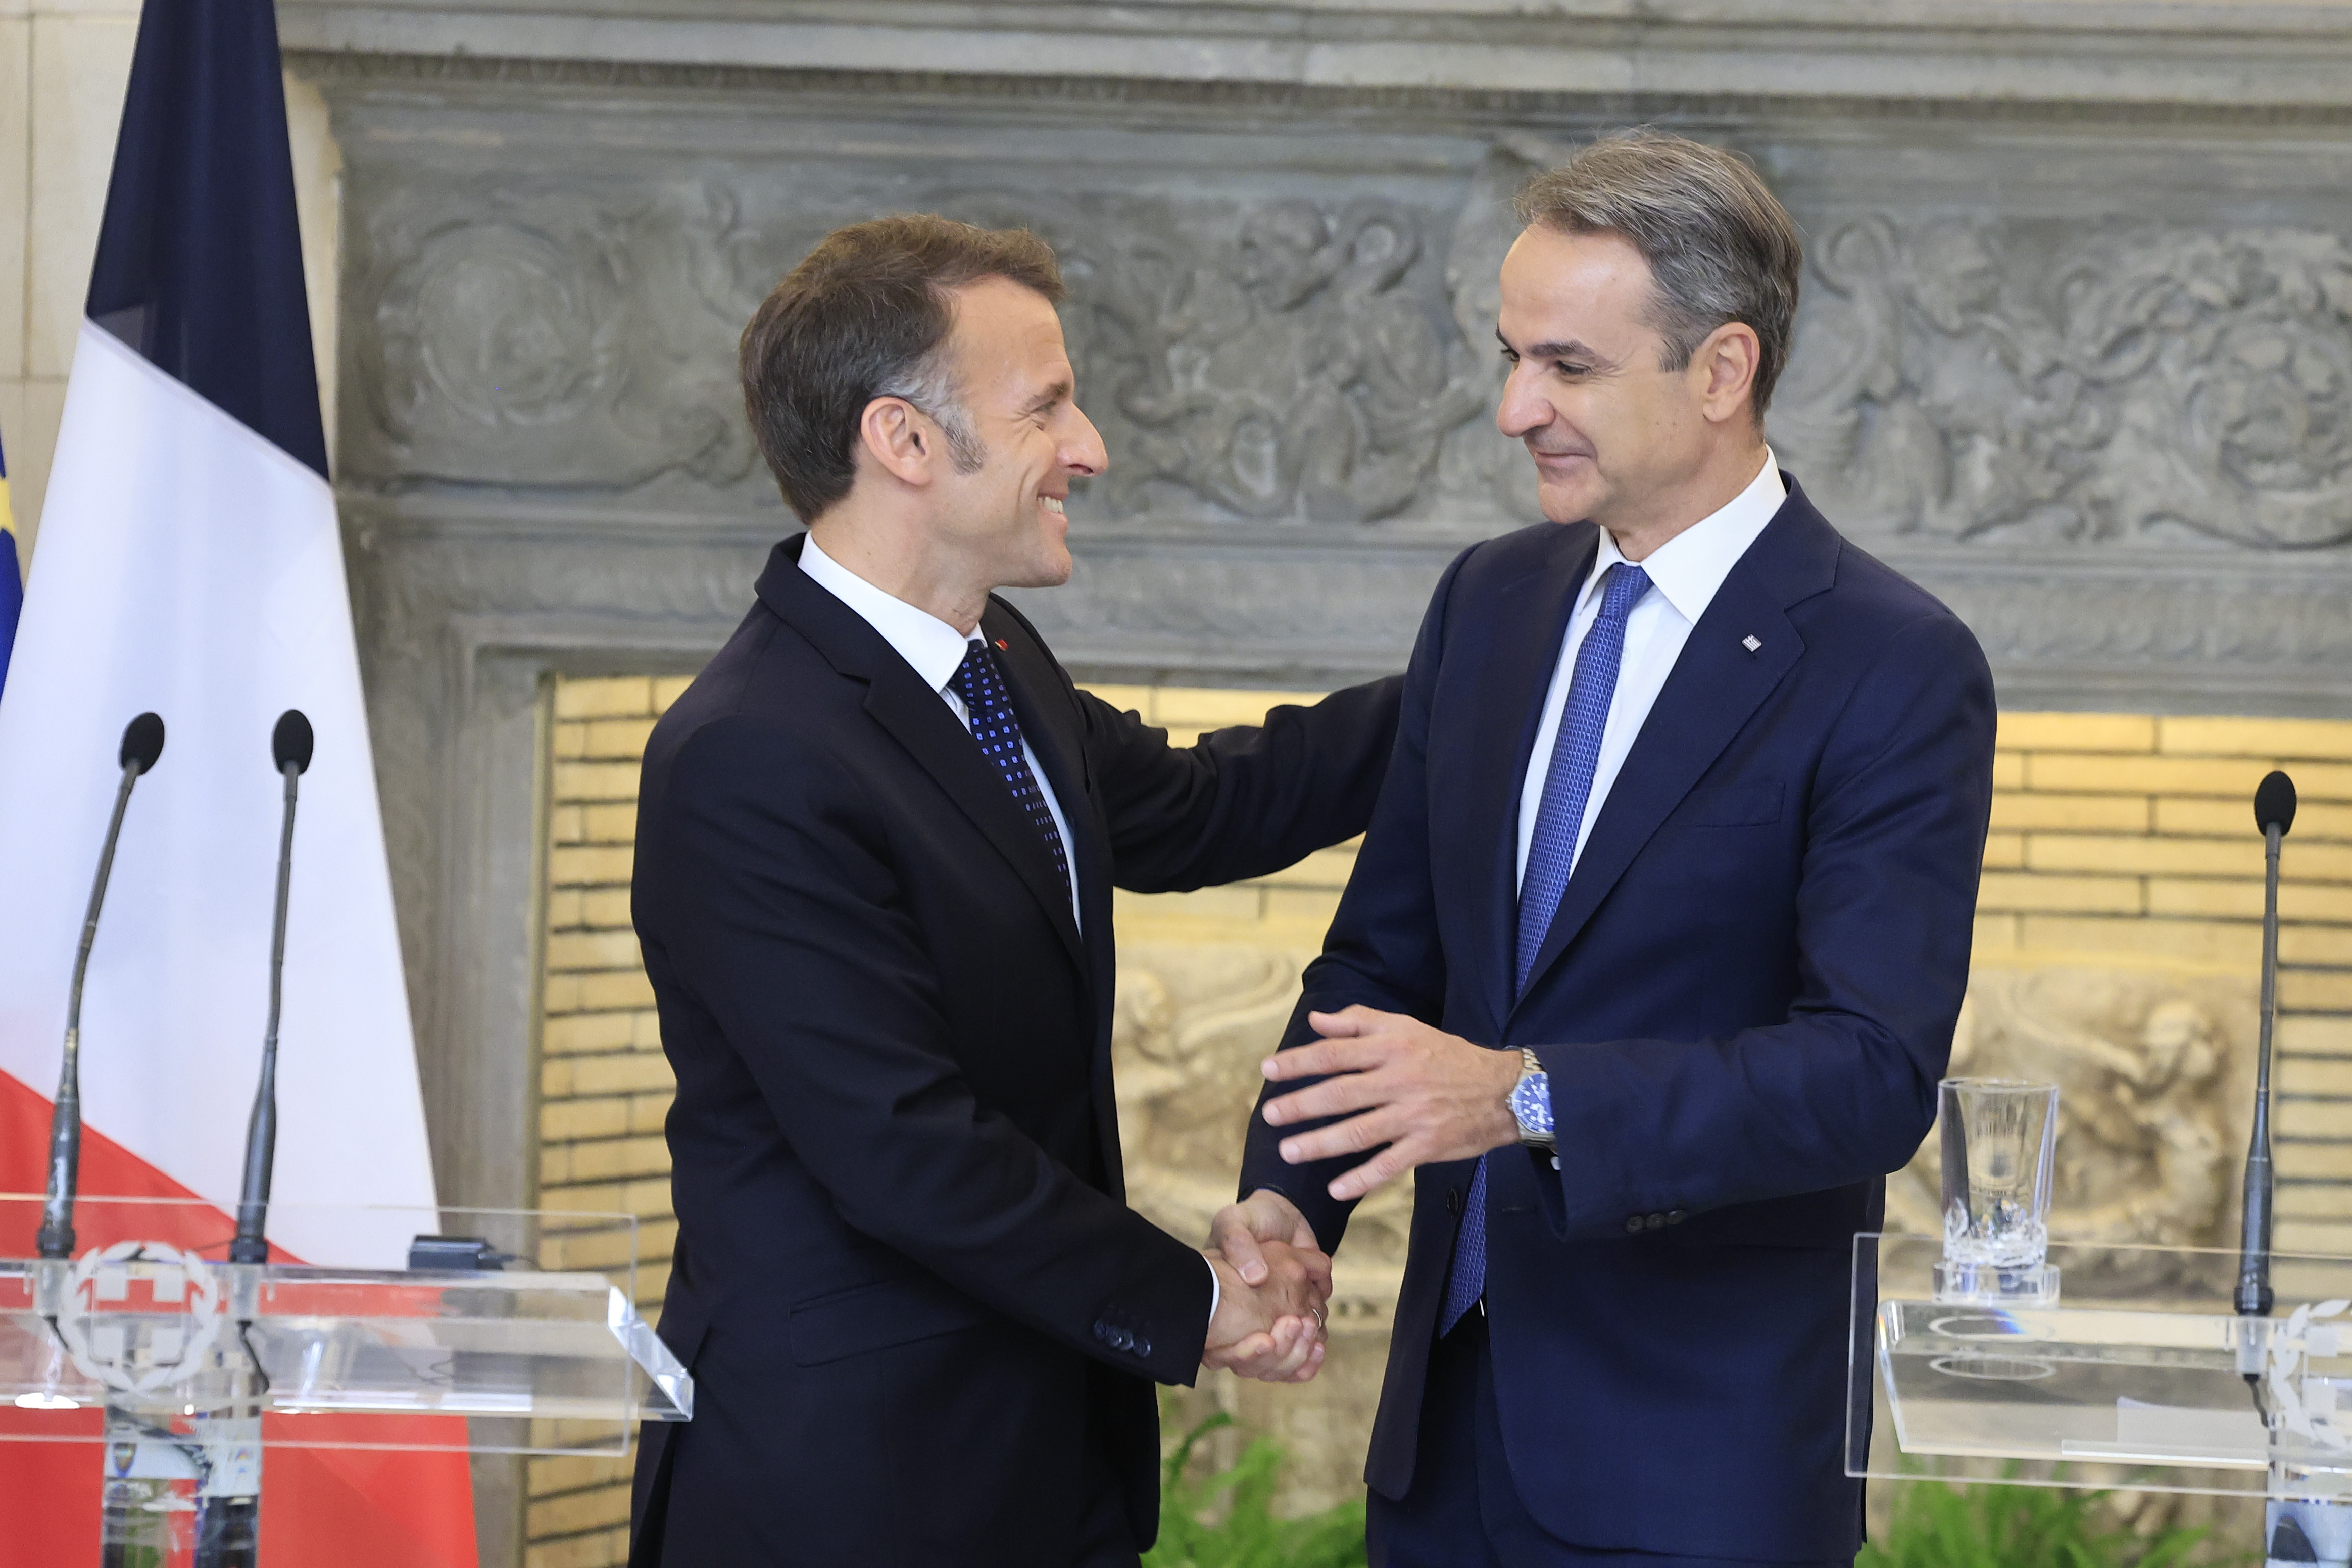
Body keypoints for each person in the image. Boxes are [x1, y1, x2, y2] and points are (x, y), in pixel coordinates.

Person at [1210, 130, 1997, 1566]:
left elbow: (1870, 1074)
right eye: (1513, 357)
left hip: (1699, 1475)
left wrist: (1526, 1097)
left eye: (1567, 366)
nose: (1517, 408)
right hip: (1445, 1450)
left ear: (1722, 369)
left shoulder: (1893, 663)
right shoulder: (1488, 602)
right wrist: (1287, 1196)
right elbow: (1382, 960)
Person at [629, 215, 1399, 1567]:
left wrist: (1494, 676)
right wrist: (1198, 1300)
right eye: (1045, 407)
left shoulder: (992, 664)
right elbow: (907, 1150)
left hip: (1040, 1459)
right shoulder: (748, 755)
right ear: (903, 441)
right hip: (854, 1495)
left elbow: (1203, 804)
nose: (1088, 447)